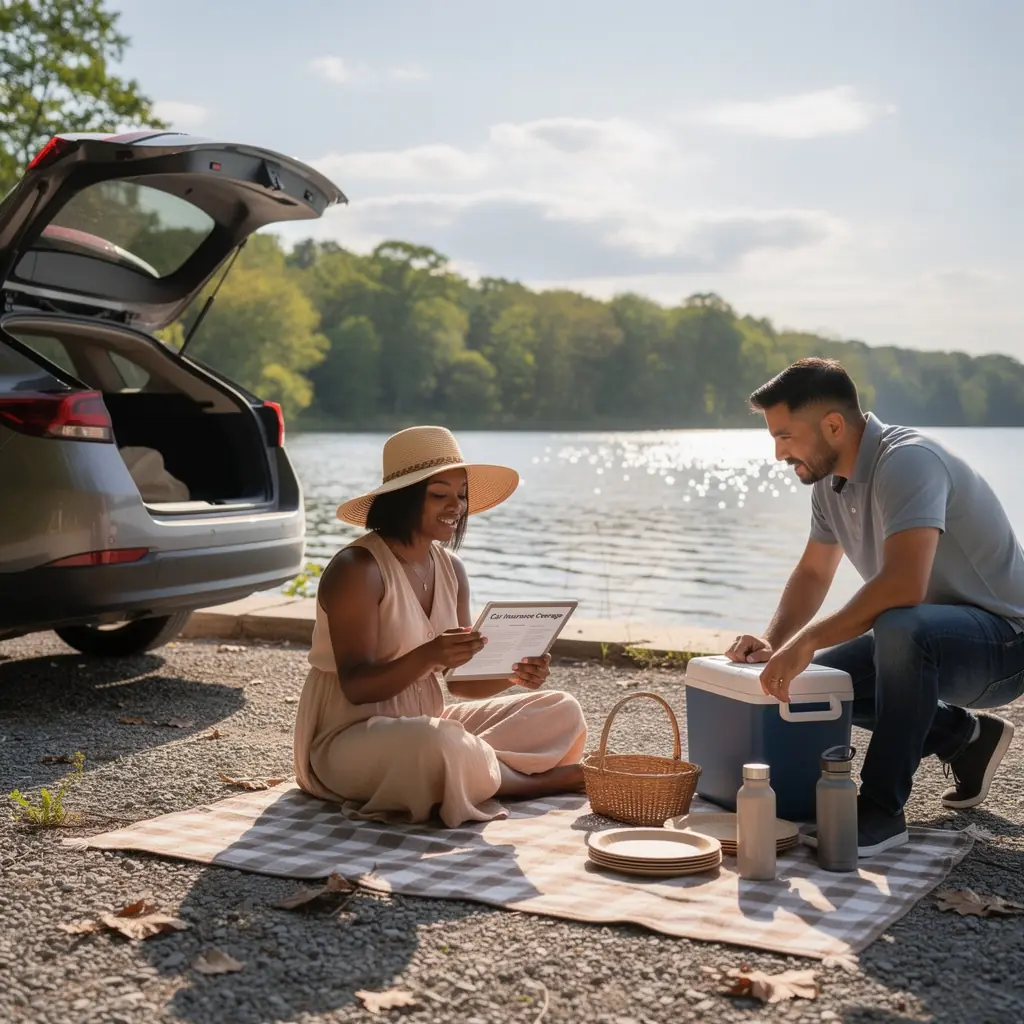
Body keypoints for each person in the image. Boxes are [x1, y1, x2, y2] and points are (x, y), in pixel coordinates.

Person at [726, 358, 1024, 857]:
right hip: (928, 641)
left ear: (834, 425)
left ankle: (881, 811)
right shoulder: (828, 481)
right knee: (816, 687)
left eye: (785, 436)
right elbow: (814, 572)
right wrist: (777, 643)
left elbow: (904, 584)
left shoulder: (908, 461)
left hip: (1006, 645)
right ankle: (964, 738)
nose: (778, 452)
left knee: (902, 627)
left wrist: (810, 639)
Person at [293, 425, 588, 828]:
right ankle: (532, 782)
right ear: (403, 498)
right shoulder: (357, 569)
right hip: (349, 737)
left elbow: (460, 682)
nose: (457, 506)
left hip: (431, 722)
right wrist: (428, 655)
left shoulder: (451, 569)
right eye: (439, 494)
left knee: (560, 710)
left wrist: (514, 675)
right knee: (438, 743)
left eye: (461, 495)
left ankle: (469, 766)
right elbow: (357, 687)